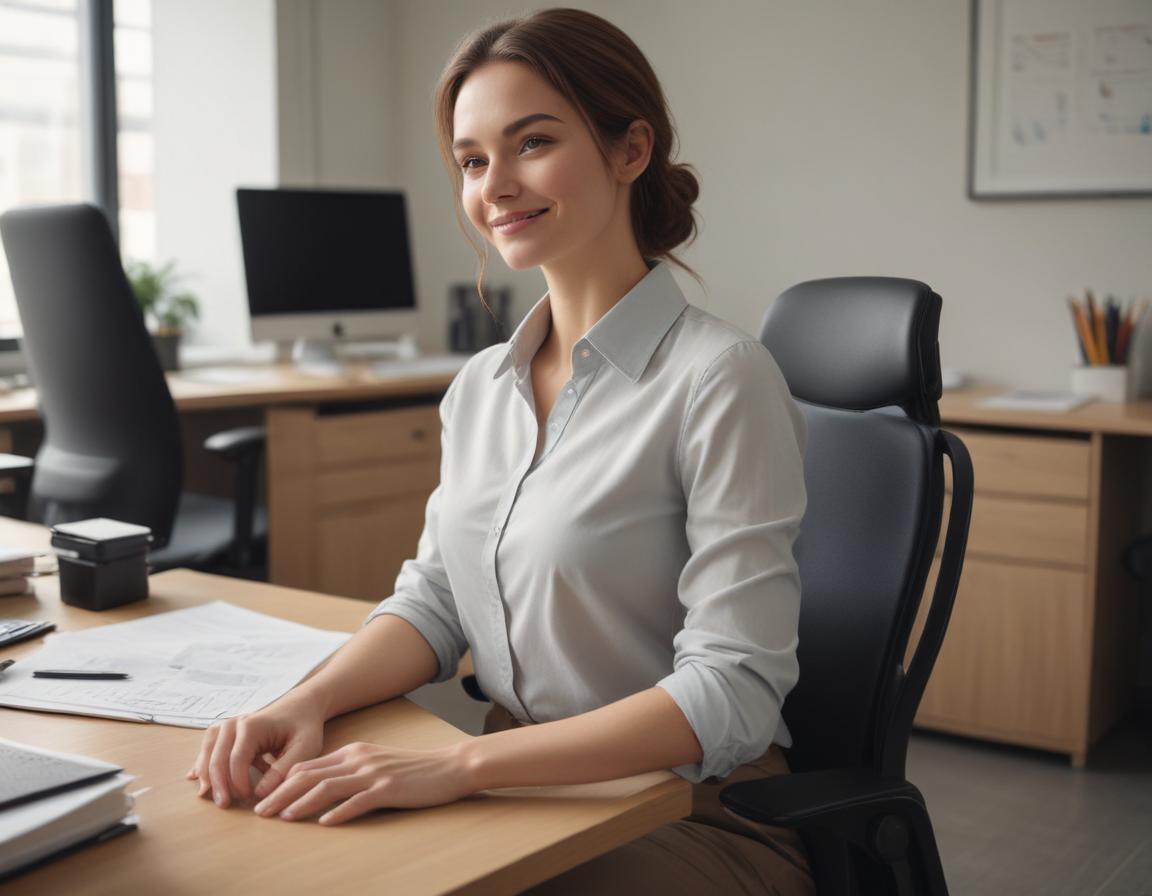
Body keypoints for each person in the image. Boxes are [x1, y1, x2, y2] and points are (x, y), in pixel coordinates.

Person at [189, 8, 812, 893]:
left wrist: (458, 770)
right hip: (514, 787)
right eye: (474, 161)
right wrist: (305, 703)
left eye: (533, 143)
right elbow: (438, 600)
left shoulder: (722, 379)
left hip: (690, 811)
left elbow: (734, 692)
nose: (496, 186)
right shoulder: (481, 386)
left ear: (630, 150)